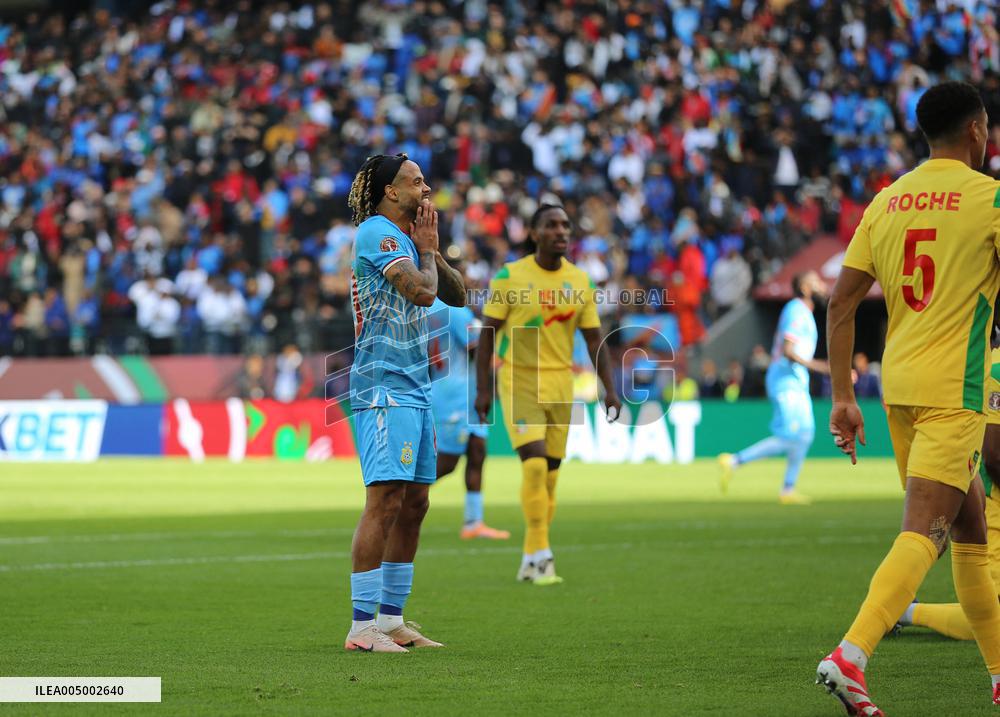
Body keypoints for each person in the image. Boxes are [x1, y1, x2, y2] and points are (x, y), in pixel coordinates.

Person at [819, 81, 1000, 714]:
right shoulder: (992, 200)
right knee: (927, 531)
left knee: (972, 532)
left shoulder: (886, 202)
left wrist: (843, 394)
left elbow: (841, 302)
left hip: (898, 390)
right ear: (977, 131)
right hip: (959, 390)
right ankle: (852, 654)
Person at [343, 153, 466, 653]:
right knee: (385, 500)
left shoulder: (411, 243)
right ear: (391, 191)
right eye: (417, 181)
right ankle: (360, 627)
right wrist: (424, 252)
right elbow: (419, 294)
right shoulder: (377, 232)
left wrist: (432, 252)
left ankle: (391, 620)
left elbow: (455, 297)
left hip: (416, 386)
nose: (427, 188)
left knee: (416, 502)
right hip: (382, 385)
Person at [475, 204, 622, 585]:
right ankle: (543, 558)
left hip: (561, 385)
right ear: (534, 233)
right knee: (535, 466)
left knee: (552, 477)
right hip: (519, 380)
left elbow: (595, 341)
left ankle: (530, 553)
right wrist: (482, 390)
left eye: (565, 226)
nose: (561, 231)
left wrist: (610, 388)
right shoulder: (510, 277)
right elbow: (487, 335)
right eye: (551, 225)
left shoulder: (582, 282)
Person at [894, 347, 1000, 640]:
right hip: (995, 516)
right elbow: (994, 455)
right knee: (992, 617)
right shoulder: (995, 369)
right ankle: (904, 611)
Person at [717, 271, 829, 504]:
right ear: (805, 289)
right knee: (790, 435)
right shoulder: (797, 311)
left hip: (796, 381)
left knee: (805, 434)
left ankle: (788, 490)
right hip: (785, 380)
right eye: (816, 283)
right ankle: (735, 461)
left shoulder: (804, 313)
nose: (822, 287)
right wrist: (824, 368)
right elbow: (789, 351)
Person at [427, 294, 510, 540]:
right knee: (447, 462)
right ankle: (399, 498)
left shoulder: (431, 308)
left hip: (462, 391)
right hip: (459, 396)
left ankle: (473, 522)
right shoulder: (456, 311)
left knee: (477, 451)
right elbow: (478, 350)